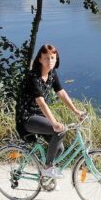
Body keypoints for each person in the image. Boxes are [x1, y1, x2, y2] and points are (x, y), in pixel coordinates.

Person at [16, 44, 86, 182]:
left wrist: (76, 111)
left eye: (53, 58)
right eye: (47, 58)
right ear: (40, 59)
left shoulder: (52, 74)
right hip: (27, 117)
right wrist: (54, 123)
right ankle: (47, 168)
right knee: (60, 131)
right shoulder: (33, 77)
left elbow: (61, 92)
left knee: (59, 148)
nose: (50, 61)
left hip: (39, 117)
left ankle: (45, 175)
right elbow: (41, 102)